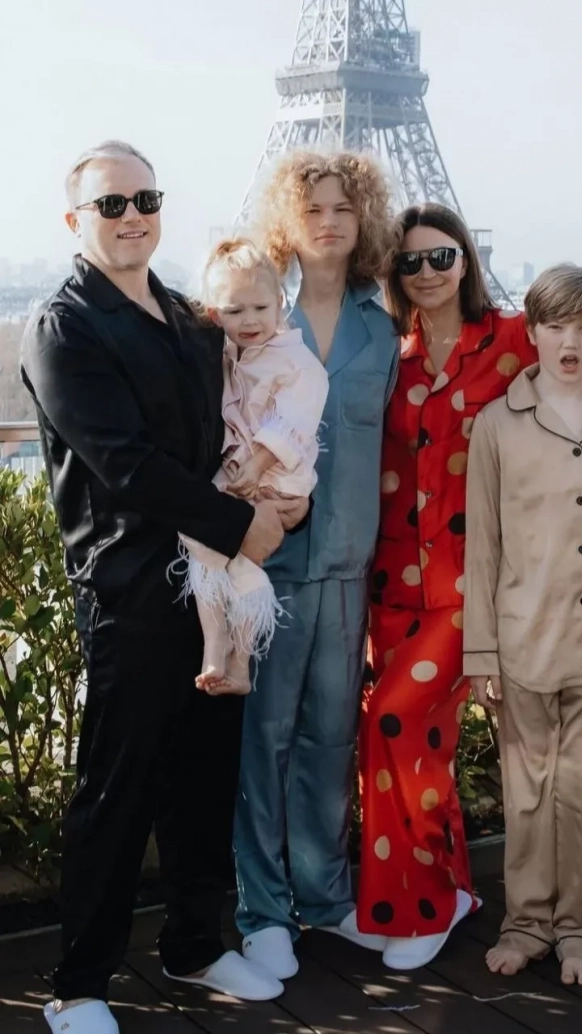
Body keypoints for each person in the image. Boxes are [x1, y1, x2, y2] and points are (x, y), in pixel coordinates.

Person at [356, 203, 582, 972]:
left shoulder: (509, 339)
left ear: (466, 261)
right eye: (410, 261)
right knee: (431, 748)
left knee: (400, 724)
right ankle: (456, 899)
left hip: (480, 595)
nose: (427, 272)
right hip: (404, 587)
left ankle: (453, 908)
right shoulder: (389, 354)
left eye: (442, 256)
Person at [21, 141, 303, 1034]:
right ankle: (79, 985)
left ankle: (194, 945)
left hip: (214, 584)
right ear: (75, 221)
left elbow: (244, 417)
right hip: (133, 592)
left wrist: (277, 498)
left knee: (204, 779)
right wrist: (244, 524)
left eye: (145, 198)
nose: (133, 215)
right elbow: (127, 465)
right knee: (118, 790)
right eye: (111, 204)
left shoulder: (188, 316)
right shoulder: (64, 327)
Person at [233, 151, 399, 981]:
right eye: (313, 209)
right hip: (269, 562)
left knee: (331, 738)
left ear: (363, 217)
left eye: (343, 208)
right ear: (288, 221)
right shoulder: (260, 312)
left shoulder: (385, 326)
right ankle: (262, 911)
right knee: (263, 740)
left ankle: (326, 898)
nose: (329, 222)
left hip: (347, 566)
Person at [463, 264, 582, 986]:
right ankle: (527, 923)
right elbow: (483, 547)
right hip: (521, 645)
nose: (570, 342)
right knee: (528, 793)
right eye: (556, 326)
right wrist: (481, 651)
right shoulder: (496, 425)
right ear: (532, 331)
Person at [175, 237, 328, 695]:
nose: (249, 321)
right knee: (206, 543)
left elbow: (295, 420)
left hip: (276, 476)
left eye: (260, 308)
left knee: (220, 544)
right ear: (215, 314)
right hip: (240, 473)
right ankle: (222, 649)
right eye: (235, 311)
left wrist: (259, 462)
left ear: (280, 303)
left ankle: (234, 655)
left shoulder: (297, 362)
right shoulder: (227, 355)